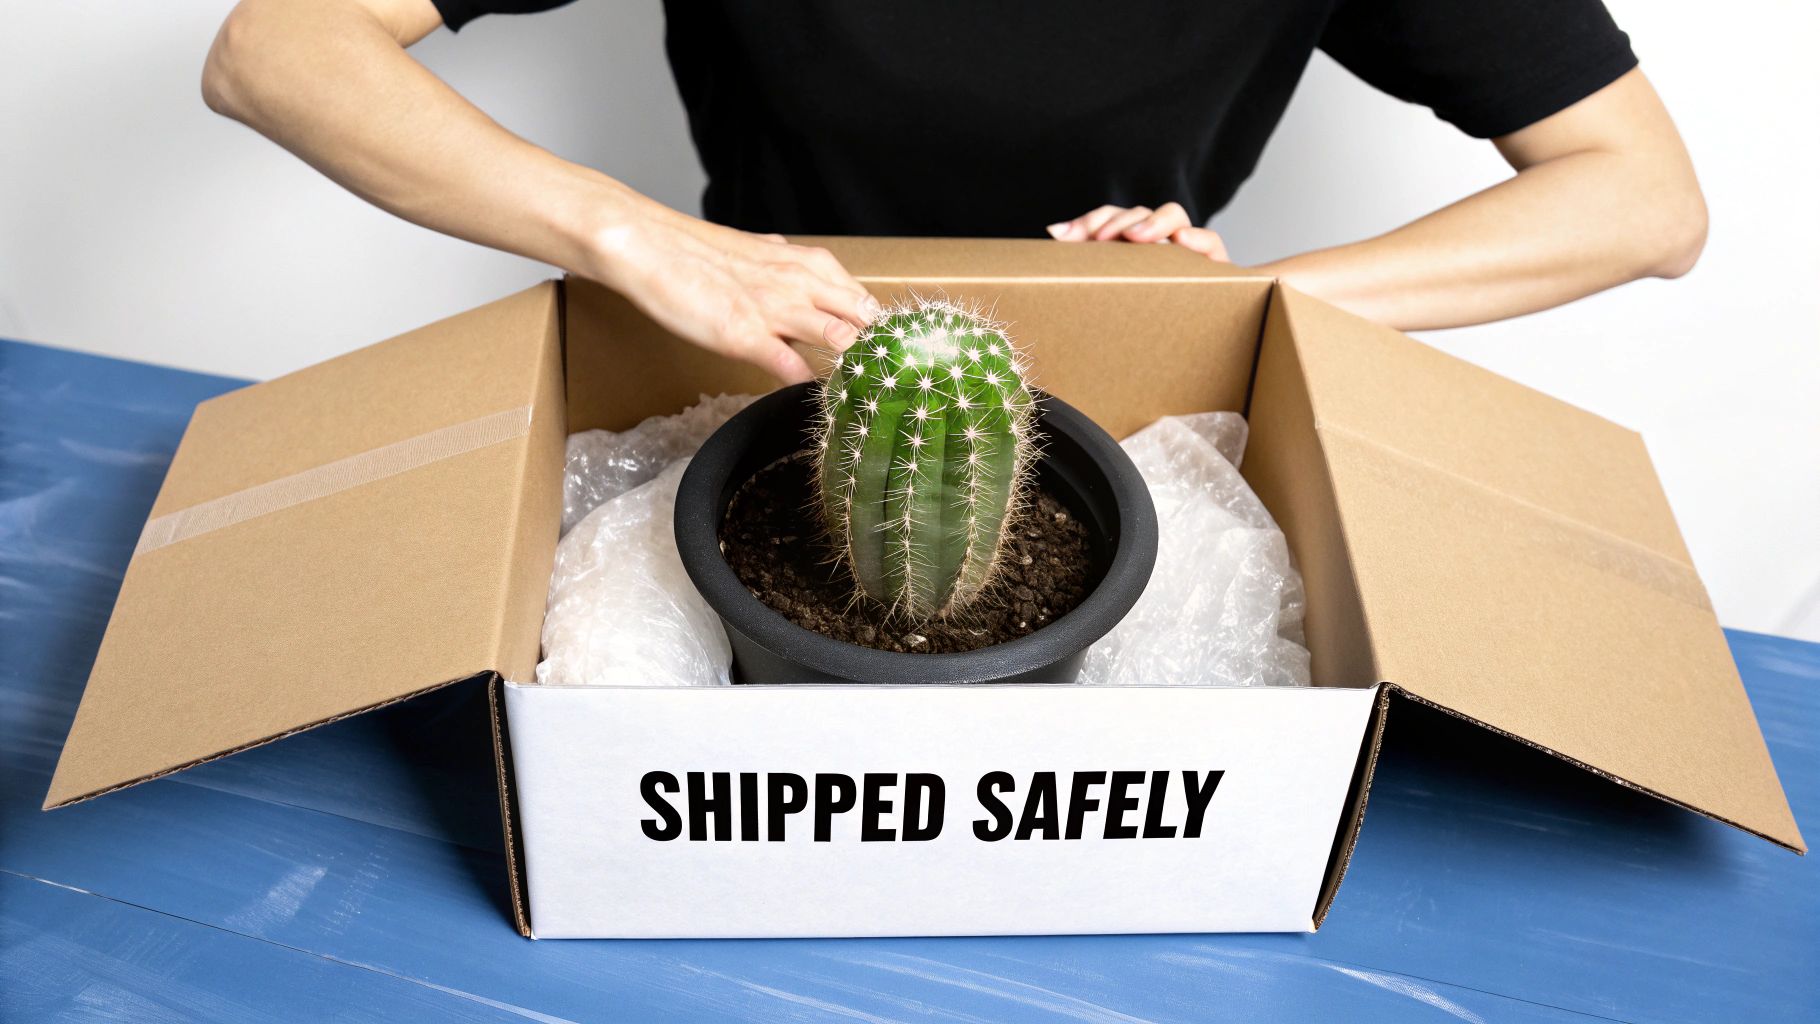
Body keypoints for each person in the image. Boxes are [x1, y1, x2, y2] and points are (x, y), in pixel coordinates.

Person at [201, 0, 1706, 383]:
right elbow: (277, 46)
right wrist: (641, 237)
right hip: (763, 368)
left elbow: (1641, 199)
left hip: (1145, 397)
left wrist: (1241, 303)